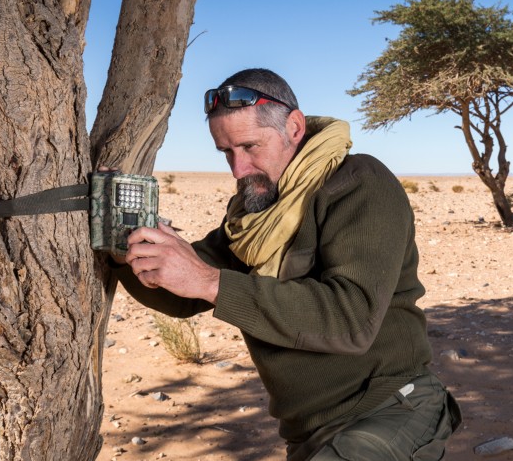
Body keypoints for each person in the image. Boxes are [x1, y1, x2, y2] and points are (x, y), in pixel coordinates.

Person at [111, 68, 461, 460]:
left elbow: (352, 319)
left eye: (249, 147)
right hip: (309, 430)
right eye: (226, 152)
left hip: (387, 410)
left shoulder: (358, 182)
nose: (238, 169)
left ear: (294, 127)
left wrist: (210, 281)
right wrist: (125, 248)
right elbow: (180, 297)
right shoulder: (254, 215)